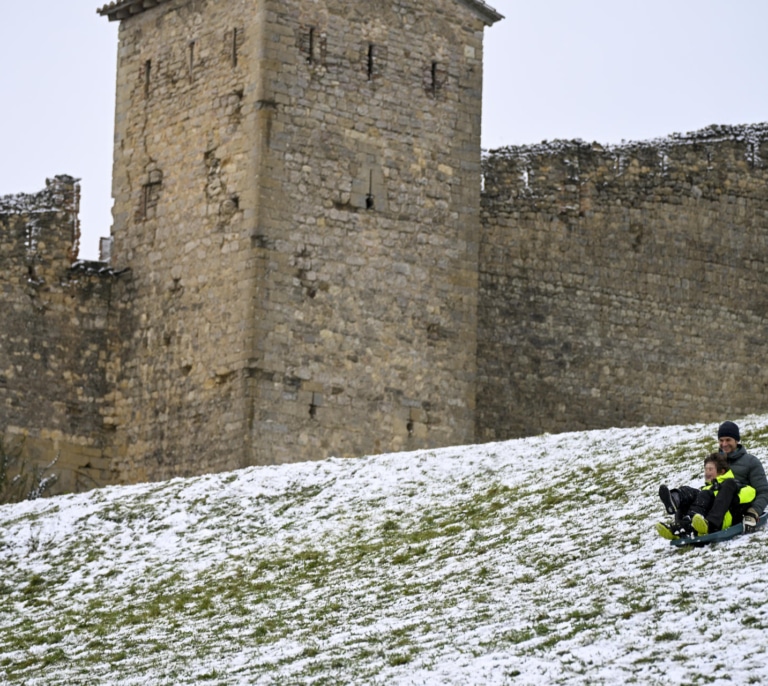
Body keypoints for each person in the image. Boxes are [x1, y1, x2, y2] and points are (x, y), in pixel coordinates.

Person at [657, 421, 768, 538]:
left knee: (728, 484)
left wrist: (753, 512)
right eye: (721, 440)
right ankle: (677, 510)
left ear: (737, 440)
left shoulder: (751, 462)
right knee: (693, 493)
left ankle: (710, 524)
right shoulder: (715, 460)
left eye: (728, 440)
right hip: (714, 497)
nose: (724, 444)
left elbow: (764, 491)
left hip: (736, 504)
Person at [656, 452, 753, 540]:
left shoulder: (732, 484)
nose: (707, 472)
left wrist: (734, 498)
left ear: (722, 472)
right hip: (700, 516)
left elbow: (751, 493)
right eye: (706, 469)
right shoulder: (706, 489)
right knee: (689, 492)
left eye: (710, 469)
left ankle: (693, 525)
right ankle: (675, 501)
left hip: (716, 520)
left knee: (705, 494)